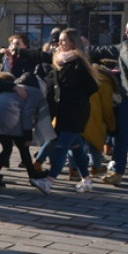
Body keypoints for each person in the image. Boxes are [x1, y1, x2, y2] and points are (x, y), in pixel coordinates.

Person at [30, 29, 99, 194]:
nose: (59, 44)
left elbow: (92, 87)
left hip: (75, 112)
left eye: (63, 41)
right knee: (76, 147)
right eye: (59, 41)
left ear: (73, 43)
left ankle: (49, 181)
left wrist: (76, 97)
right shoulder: (60, 63)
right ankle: (87, 180)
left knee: (61, 147)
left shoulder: (78, 63)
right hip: (63, 111)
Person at [88, 19, 128, 185]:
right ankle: (117, 172)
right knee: (122, 137)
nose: (127, 32)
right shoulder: (123, 47)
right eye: (127, 29)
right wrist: (81, 47)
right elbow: (101, 50)